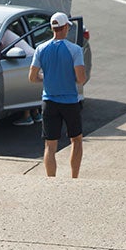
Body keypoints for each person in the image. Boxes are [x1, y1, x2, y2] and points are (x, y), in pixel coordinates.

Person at [28, 12, 87, 178]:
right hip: (70, 102)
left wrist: (47, 77)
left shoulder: (41, 48)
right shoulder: (75, 50)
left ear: (52, 28)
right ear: (66, 27)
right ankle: (74, 178)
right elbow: (81, 78)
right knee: (76, 140)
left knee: (50, 145)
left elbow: (32, 77)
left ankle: (51, 181)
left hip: (49, 101)